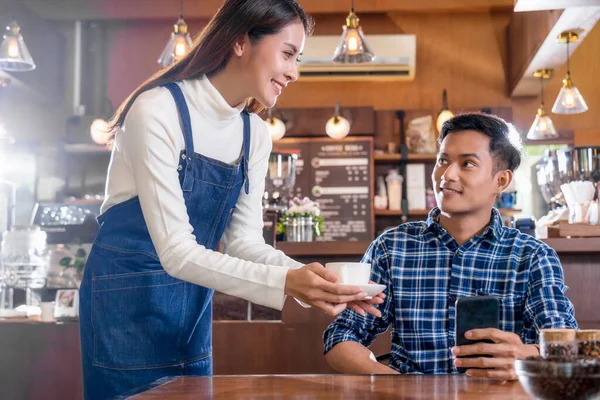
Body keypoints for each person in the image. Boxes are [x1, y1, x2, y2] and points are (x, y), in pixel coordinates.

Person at [79, 1, 382, 398]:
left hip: (191, 305)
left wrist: (317, 281)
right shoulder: (157, 110)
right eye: (288, 54)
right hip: (125, 303)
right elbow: (176, 252)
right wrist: (289, 283)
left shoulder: (254, 133)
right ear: (241, 41)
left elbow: (244, 244)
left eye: (298, 58)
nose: (294, 72)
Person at [323, 113, 578, 380]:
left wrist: (526, 357)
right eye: (443, 160)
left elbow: (568, 347)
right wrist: (396, 386)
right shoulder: (392, 247)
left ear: (501, 181)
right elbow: (341, 335)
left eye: (467, 163)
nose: (447, 174)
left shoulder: (533, 256)